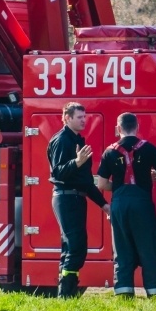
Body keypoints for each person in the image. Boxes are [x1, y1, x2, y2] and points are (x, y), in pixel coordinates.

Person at [97, 113, 156, 298]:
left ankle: (124, 294)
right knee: (148, 248)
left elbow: (101, 184)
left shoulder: (109, 151)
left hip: (119, 204)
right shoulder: (148, 148)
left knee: (122, 250)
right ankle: (155, 294)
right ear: (137, 127)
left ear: (118, 129)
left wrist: (117, 186)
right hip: (141, 204)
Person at [48, 102, 110, 299]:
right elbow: (57, 172)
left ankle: (68, 291)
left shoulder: (79, 142)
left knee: (76, 245)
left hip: (77, 197)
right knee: (75, 245)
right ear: (67, 118)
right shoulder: (61, 140)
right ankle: (66, 293)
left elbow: (85, 181)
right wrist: (76, 162)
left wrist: (104, 204)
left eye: (85, 117)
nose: (84, 120)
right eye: (79, 117)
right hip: (65, 197)